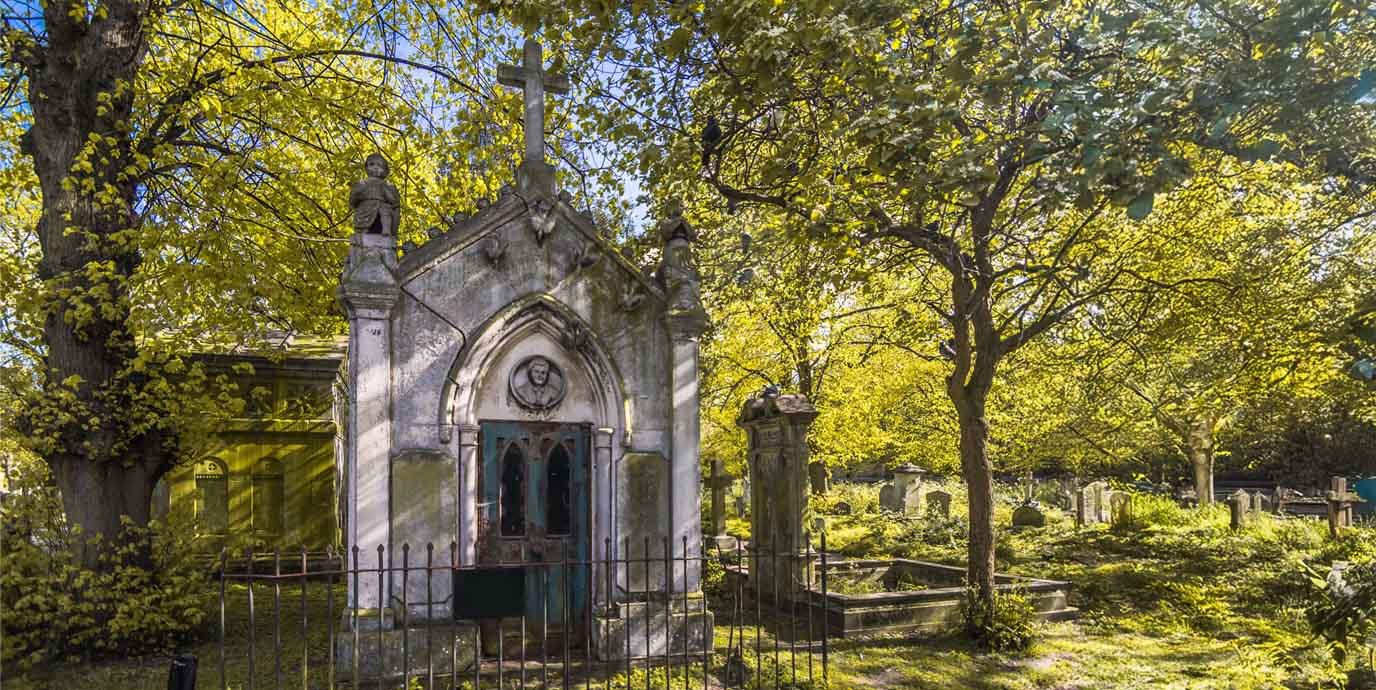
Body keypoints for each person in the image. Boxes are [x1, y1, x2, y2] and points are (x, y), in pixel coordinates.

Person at [350, 153, 401, 235]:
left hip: (383, 210)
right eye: (371, 164)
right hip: (365, 210)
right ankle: (363, 232)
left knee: (385, 210)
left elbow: (394, 202)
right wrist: (358, 194)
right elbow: (352, 202)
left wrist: (385, 191)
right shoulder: (361, 183)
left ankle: (386, 231)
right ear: (366, 167)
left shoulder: (388, 185)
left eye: (380, 166)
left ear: (385, 170)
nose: (375, 167)